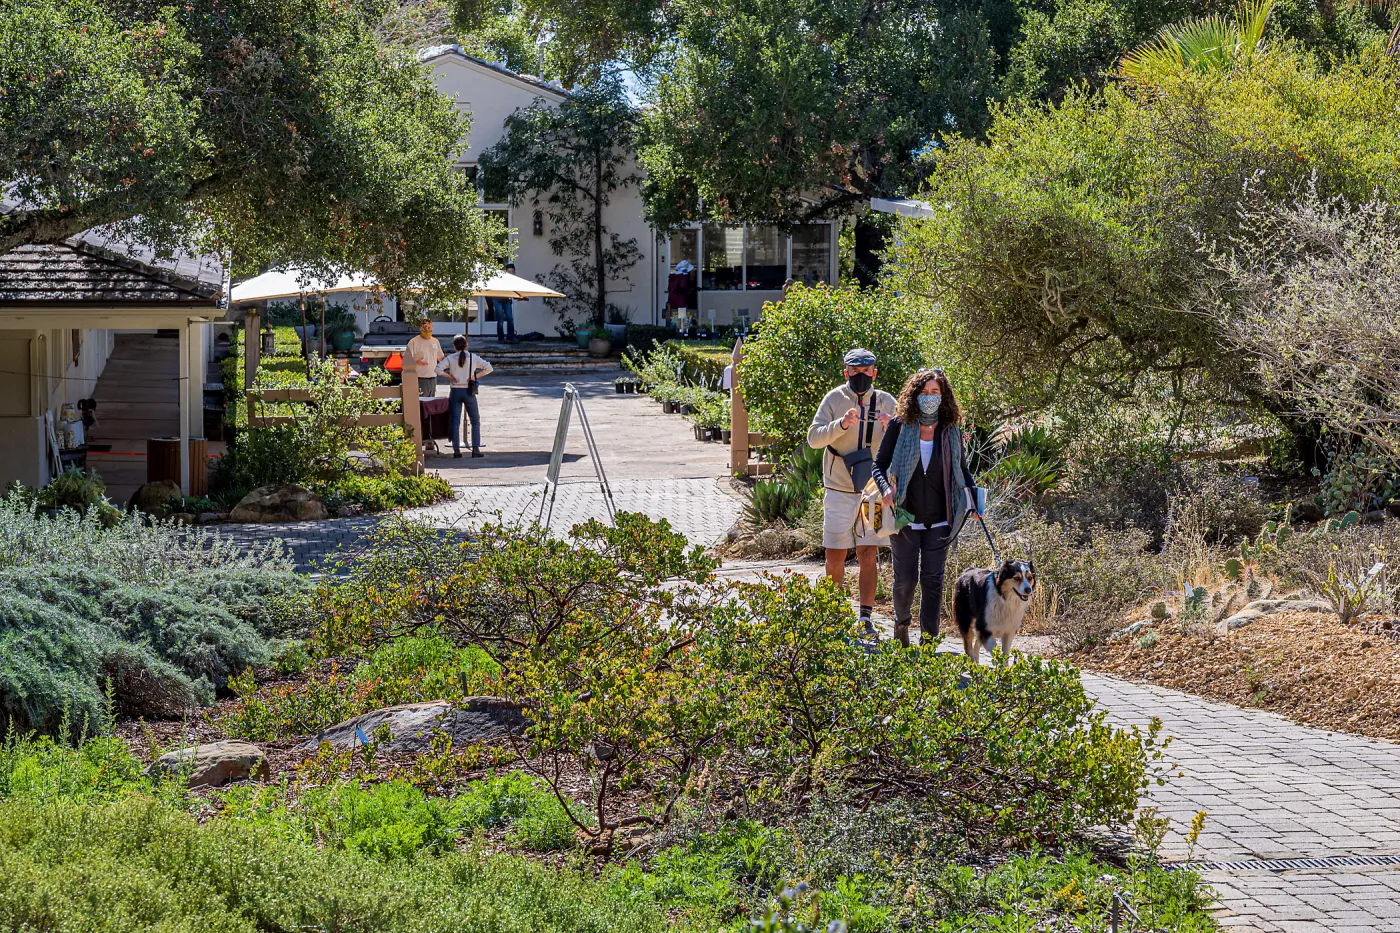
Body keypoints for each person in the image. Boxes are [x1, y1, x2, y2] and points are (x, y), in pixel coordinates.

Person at [872, 369, 980, 647]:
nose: (929, 397)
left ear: (943, 397)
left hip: (941, 518)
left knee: (932, 581)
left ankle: (929, 642)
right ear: (914, 395)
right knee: (905, 580)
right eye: (924, 392)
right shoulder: (900, 425)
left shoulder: (950, 429)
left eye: (935, 392)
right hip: (904, 516)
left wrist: (975, 502)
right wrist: (885, 489)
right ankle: (901, 624)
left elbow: (962, 471)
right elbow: (879, 464)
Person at [807, 348, 897, 636]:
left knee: (868, 553)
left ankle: (865, 619)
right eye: (854, 371)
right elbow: (813, 438)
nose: (860, 376)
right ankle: (832, 617)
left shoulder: (886, 401)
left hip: (874, 491)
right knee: (835, 555)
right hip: (838, 489)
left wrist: (890, 427)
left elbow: (905, 443)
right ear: (846, 372)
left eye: (866, 371)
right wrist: (841, 424)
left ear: (875, 372)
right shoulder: (834, 399)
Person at [437, 334, 493, 458]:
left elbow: (438, 369)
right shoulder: (473, 357)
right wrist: (475, 376)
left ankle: (456, 450)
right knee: (475, 421)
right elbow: (489, 368)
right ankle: (476, 448)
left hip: (455, 391)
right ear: (466, 345)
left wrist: (450, 377)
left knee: (455, 421)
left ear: (454, 346)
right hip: (469, 391)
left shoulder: (451, 358)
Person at [406, 319, 445, 401]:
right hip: (420, 378)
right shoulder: (414, 342)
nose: (427, 330)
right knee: (421, 403)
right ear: (420, 328)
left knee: (430, 403)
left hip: (433, 378)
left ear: (433, 327)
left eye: (429, 327)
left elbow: (441, 358)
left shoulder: (435, 341)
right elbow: (406, 359)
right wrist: (416, 362)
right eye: (425, 327)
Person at [494, 263, 519, 344]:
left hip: (507, 300)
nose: (510, 273)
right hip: (497, 299)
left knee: (510, 318)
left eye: (512, 271)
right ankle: (501, 338)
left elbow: (515, 291)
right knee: (500, 320)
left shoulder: (514, 280)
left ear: (514, 271)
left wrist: (520, 297)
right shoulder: (501, 278)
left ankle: (510, 337)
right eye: (509, 272)